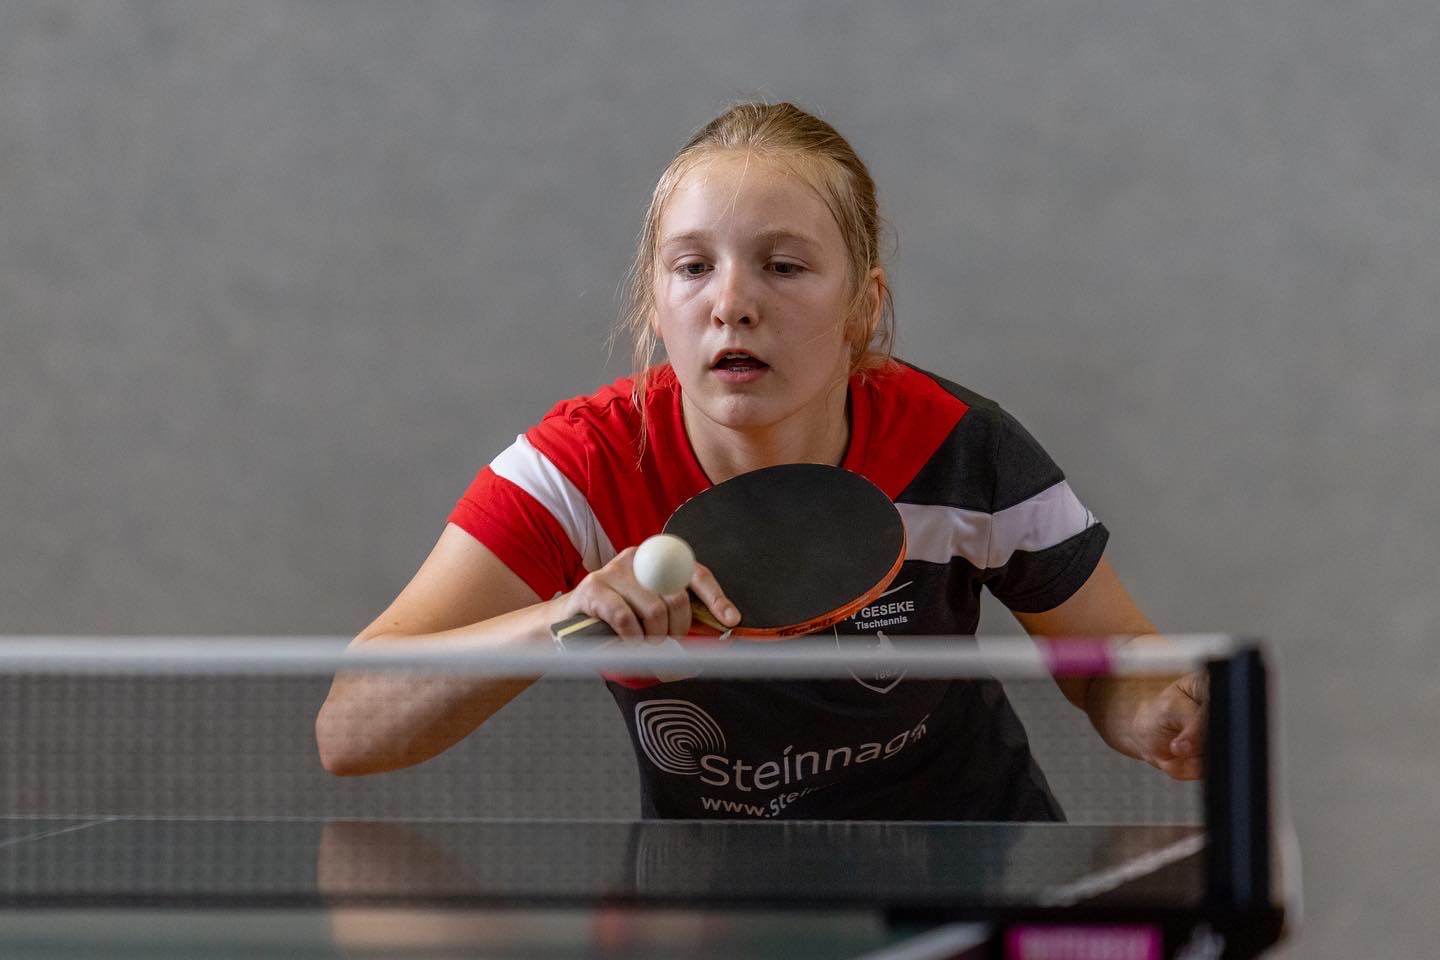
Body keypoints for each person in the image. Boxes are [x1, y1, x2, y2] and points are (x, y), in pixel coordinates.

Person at [315, 101, 1206, 820]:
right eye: (692, 267)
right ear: (655, 303)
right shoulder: (579, 471)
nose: (732, 303)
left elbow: (1118, 659)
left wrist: (1160, 713)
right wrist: (568, 618)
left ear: (863, 307)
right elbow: (349, 731)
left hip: (965, 878)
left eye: (783, 267)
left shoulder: (959, 447)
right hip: (717, 905)